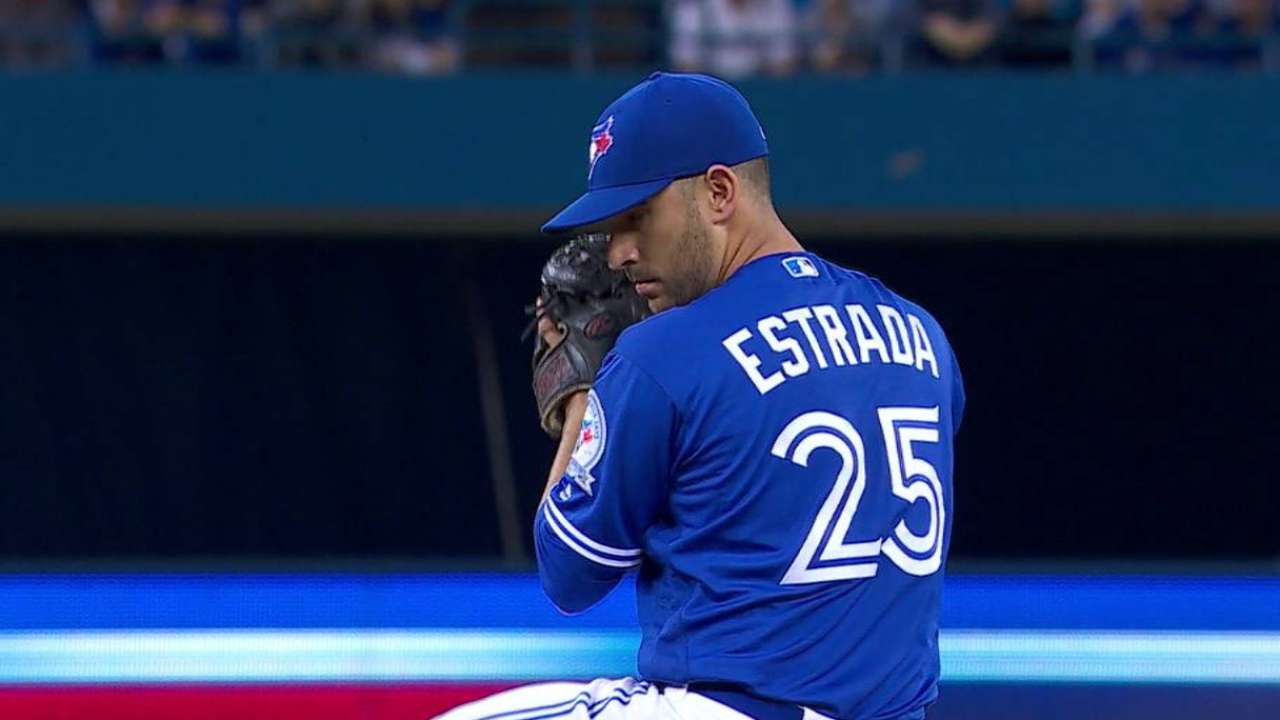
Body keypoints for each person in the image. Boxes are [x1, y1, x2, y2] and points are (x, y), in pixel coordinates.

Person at [437, 71, 964, 720]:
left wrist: (583, 397)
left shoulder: (665, 354)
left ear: (719, 192)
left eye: (637, 217)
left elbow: (568, 573)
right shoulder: (921, 336)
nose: (620, 252)